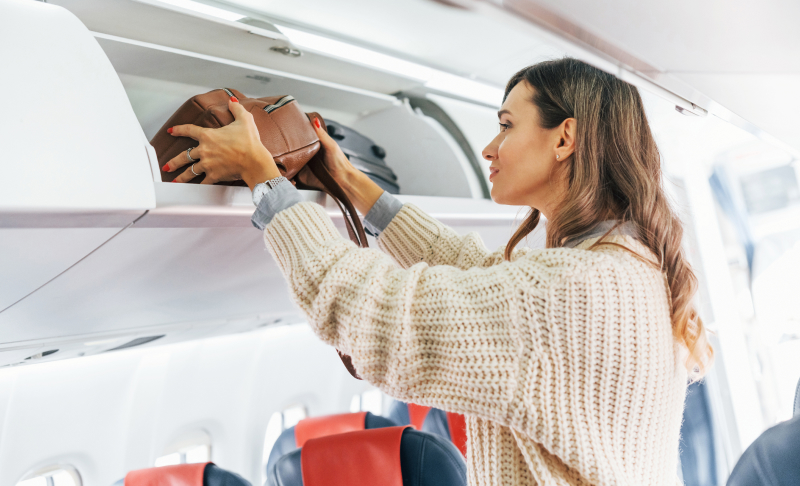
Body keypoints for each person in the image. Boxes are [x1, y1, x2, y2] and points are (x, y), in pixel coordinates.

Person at [163, 58, 713, 486]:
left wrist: (264, 177)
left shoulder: (568, 292)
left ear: (564, 138)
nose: (489, 147)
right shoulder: (627, 268)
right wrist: (352, 184)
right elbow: (481, 275)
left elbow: (369, 315)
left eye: (505, 126)